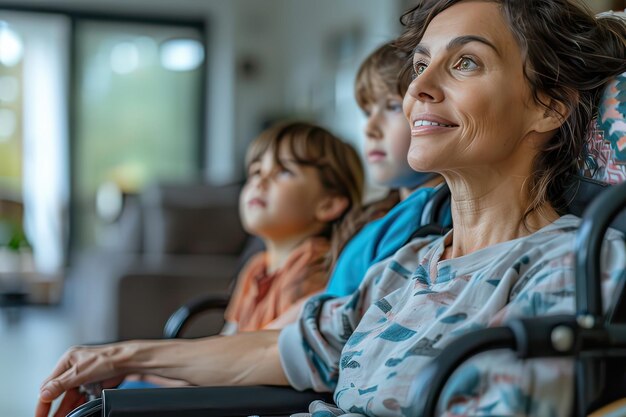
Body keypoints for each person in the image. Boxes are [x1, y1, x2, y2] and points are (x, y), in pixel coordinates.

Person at [36, 1, 626, 417]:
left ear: (548, 106)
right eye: (421, 64)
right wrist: (117, 354)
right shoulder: (410, 261)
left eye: (465, 62)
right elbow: (285, 347)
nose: (418, 88)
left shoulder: (573, 263)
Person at [326, 41, 448, 297]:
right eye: (367, 111)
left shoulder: (431, 217)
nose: (369, 128)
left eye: (392, 106)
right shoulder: (381, 215)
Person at [221, 121, 364, 333]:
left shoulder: (312, 266)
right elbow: (228, 337)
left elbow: (269, 350)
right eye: (257, 171)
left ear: (329, 204)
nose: (260, 181)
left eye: (284, 171)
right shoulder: (256, 267)